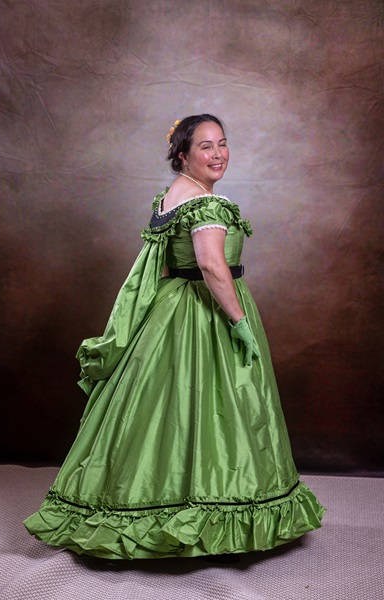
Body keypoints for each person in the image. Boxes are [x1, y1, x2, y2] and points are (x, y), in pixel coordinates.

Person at [24, 114, 325, 561]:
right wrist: (240, 322)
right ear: (182, 154)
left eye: (222, 143)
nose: (218, 154)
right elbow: (210, 266)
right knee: (213, 410)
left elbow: (165, 267)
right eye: (206, 146)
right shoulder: (206, 204)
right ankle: (201, 513)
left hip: (170, 309)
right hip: (203, 312)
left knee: (166, 413)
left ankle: (151, 502)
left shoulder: (173, 197)